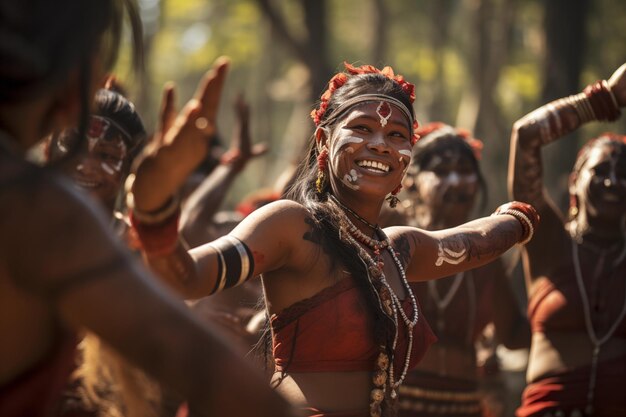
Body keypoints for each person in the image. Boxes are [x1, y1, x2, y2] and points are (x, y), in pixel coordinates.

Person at [127, 61, 540, 417]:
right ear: (324, 140)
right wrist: (153, 206)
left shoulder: (396, 249)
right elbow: (186, 277)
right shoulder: (292, 226)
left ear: (408, 161)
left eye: (398, 135)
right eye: (361, 128)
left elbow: (475, 241)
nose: (380, 144)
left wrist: (521, 218)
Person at [0, 1, 296, 416]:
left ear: (126, 168)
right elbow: (220, 379)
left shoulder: (72, 223)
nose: (87, 164)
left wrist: (154, 205)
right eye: (76, 146)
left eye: (106, 153)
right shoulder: (42, 214)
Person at [509, 63, 626, 417]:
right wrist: (605, 98)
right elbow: (526, 134)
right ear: (574, 181)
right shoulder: (549, 244)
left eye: (624, 175)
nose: (612, 182)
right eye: (600, 171)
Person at [395, 123, 530, 417]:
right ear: (412, 181)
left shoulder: (487, 257)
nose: (456, 181)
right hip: (395, 404)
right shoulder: (393, 242)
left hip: (464, 405)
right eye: (442, 171)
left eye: (466, 171)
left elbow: (514, 334)